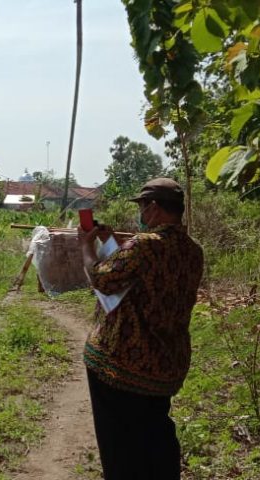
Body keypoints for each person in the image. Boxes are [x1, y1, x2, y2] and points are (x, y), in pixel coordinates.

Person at [77, 178, 204, 479]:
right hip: (165, 366)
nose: (142, 214)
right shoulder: (193, 250)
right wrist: (112, 242)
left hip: (121, 365)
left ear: (155, 207)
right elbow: (141, 275)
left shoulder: (144, 246)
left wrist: (86, 247)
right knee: (155, 436)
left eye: (143, 207)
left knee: (121, 447)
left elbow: (102, 278)